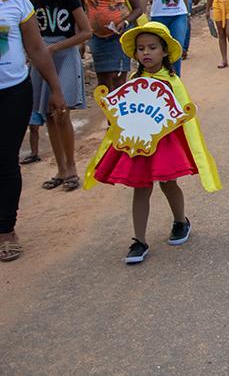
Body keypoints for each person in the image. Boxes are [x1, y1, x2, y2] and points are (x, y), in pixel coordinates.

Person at [83, 22, 221, 265]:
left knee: (168, 183)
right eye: (140, 49)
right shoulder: (135, 80)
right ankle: (139, 240)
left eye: (152, 47)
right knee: (141, 187)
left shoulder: (171, 80)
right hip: (138, 142)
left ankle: (180, 221)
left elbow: (182, 114)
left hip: (164, 142)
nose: (145, 53)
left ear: (165, 51)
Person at [0, 0, 68, 263]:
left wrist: (55, 89)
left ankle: (6, 230)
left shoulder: (18, 3)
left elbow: (38, 49)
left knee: (6, 161)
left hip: (13, 92)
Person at [25, 0, 92, 193]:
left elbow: (85, 32)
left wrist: (54, 47)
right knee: (48, 115)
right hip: (42, 56)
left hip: (63, 55)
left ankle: (72, 168)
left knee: (62, 113)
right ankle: (61, 169)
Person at [76, 0, 143, 92]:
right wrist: (79, 39)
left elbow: (138, 8)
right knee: (104, 81)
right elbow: (77, 11)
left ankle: (119, 114)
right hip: (97, 37)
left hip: (121, 36)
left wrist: (125, 22)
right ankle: (109, 114)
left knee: (119, 79)